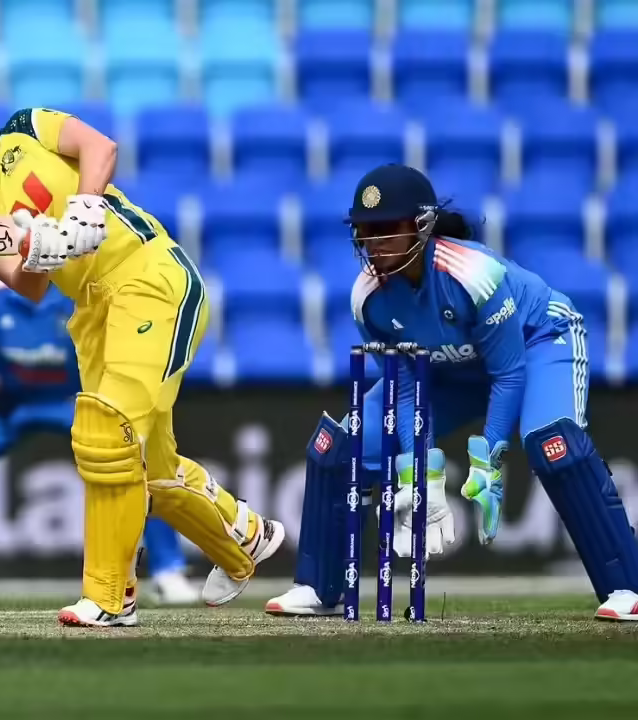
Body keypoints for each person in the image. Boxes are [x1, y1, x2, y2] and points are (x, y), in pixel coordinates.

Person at [0, 92, 285, 626]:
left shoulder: (26, 127)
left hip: (146, 277)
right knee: (150, 468)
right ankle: (245, 537)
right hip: (92, 311)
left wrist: (84, 207)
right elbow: (28, 286)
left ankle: (109, 596)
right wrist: (40, 251)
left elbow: (100, 147)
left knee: (107, 433)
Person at [245, 163, 638, 621]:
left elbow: (509, 374)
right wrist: (423, 474)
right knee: (339, 447)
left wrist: (489, 462)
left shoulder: (473, 274)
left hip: (538, 342)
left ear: (422, 225)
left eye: (386, 228)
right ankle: (319, 587)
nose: (374, 242)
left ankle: (627, 585)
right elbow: (405, 388)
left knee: (554, 444)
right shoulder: (367, 298)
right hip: (450, 370)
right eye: (365, 230)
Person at [0, 269, 200, 606]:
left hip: (77, 401)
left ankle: (168, 572)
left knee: (139, 469)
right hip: (2, 403)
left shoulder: (88, 284)